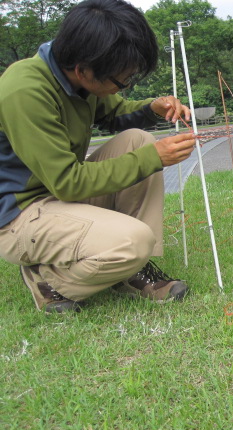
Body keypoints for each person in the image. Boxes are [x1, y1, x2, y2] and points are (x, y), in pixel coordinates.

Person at [0, 0, 197, 314]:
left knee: (137, 141)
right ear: (83, 70)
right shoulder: (25, 91)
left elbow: (116, 115)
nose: (127, 85)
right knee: (134, 239)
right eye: (123, 80)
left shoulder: (79, 72)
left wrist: (151, 108)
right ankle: (47, 277)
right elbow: (68, 182)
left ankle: (130, 269)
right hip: (22, 214)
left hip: (57, 197)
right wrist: (154, 158)